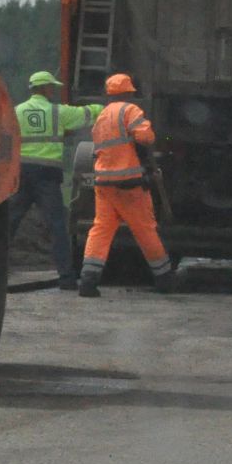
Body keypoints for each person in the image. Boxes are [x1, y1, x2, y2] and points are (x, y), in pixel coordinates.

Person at [78, 73, 177, 297]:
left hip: (104, 182)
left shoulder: (102, 115)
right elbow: (145, 137)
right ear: (129, 92)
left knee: (101, 229)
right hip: (129, 184)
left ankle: (88, 281)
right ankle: (164, 279)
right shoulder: (130, 110)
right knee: (144, 229)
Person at [10, 70, 100, 291]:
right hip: (47, 178)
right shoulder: (58, 113)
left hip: (21, 174)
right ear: (45, 88)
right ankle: (66, 279)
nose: (54, 90)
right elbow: (90, 114)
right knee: (57, 228)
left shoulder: (15, 112)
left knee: (8, 225)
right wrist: (113, 106)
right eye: (52, 87)